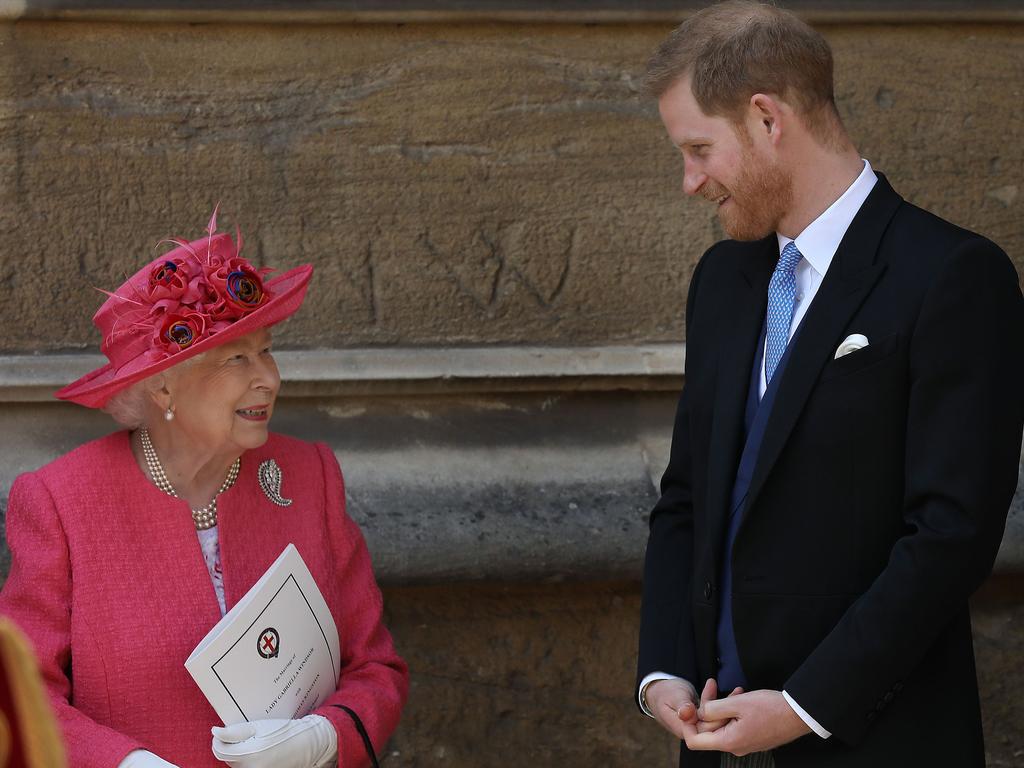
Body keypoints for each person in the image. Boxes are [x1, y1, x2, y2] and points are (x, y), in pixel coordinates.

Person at [634, 3, 1024, 767]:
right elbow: (686, 497)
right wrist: (663, 671)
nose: (689, 182)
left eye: (698, 149)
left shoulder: (952, 277)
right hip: (711, 743)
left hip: (879, 741)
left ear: (766, 119)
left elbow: (952, 536)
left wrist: (803, 708)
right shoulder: (722, 280)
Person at [0, 211, 409, 768]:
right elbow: (25, 698)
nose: (268, 377)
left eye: (267, 350)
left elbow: (375, 669)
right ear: (163, 385)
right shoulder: (61, 503)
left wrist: (323, 738)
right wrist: (123, 765)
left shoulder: (309, 475)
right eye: (236, 358)